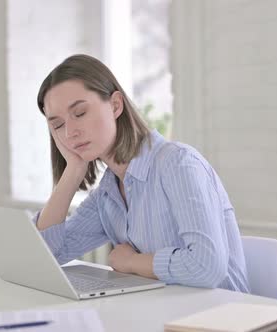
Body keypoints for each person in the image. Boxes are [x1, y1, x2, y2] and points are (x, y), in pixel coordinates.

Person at [33, 54, 249, 292]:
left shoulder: (178, 164)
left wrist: (131, 262)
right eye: (58, 125)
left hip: (218, 317)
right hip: (163, 312)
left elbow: (207, 267)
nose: (70, 132)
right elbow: (45, 257)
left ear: (115, 105)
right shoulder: (108, 193)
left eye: (80, 113)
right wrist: (72, 172)